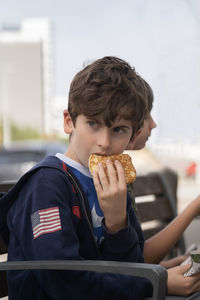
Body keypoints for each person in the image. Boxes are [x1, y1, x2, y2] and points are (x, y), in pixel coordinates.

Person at [0, 56, 199, 299]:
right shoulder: (47, 186)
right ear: (69, 122)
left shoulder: (115, 183)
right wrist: (157, 283)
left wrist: (117, 224)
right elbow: (62, 281)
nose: (104, 142)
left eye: (118, 130)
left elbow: (130, 267)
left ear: (133, 136)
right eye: (93, 123)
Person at [127, 80, 200, 298]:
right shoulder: (108, 183)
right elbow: (134, 261)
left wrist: (163, 268)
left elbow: (130, 260)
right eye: (146, 116)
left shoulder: (119, 177)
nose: (153, 124)